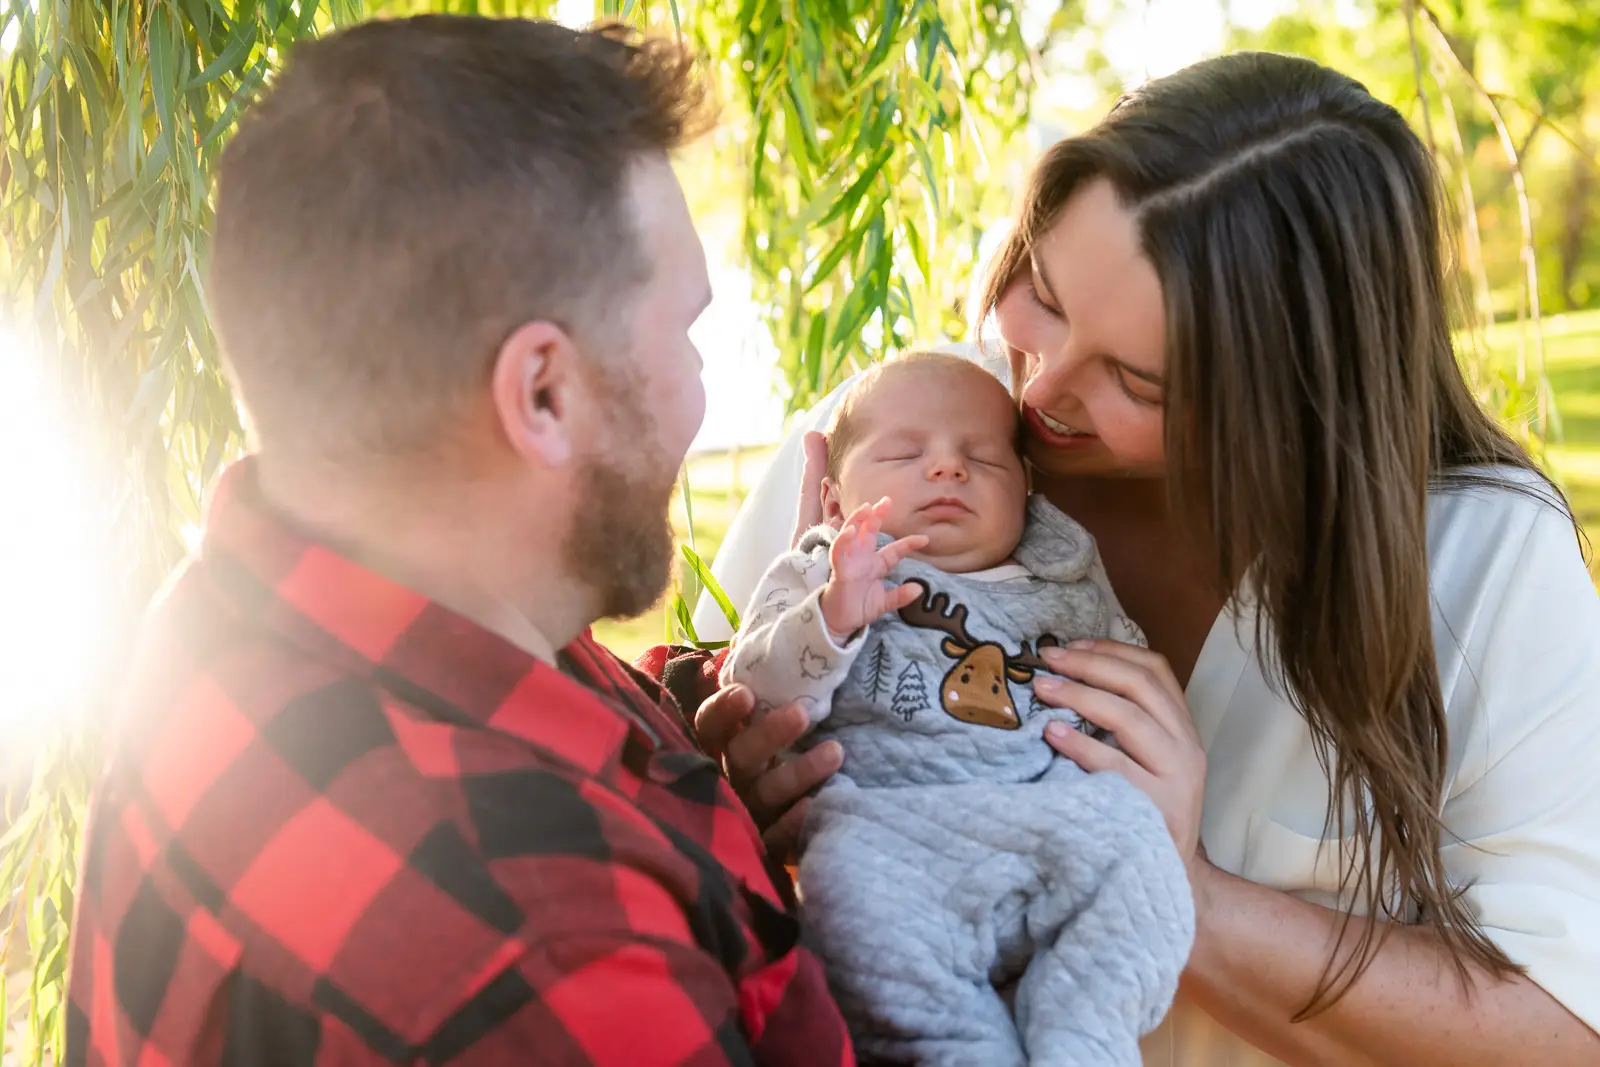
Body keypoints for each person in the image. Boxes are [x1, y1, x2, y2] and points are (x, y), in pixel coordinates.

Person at [674, 51, 1600, 1067]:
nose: (1041, 391)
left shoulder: (1482, 561)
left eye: (1139, 381)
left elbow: (1554, 1027)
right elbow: (693, 826)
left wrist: (1185, 892)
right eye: (1044, 293)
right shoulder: (899, 439)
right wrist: (736, 806)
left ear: (1294, 400)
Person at [63, 16, 852, 1066]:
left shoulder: (251, 602)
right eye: (687, 331)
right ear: (542, 391)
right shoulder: (554, 950)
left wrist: (701, 808)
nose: (701, 389)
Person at [721, 352, 1192, 1066]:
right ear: (836, 499)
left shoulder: (1061, 573)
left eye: (985, 458)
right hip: (887, 831)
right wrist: (831, 615)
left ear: (1028, 494)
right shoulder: (825, 569)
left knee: (1142, 859)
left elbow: (1120, 683)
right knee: (853, 910)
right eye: (906, 452)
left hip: (1049, 817)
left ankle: (1084, 1037)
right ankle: (958, 1047)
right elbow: (754, 685)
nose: (948, 468)